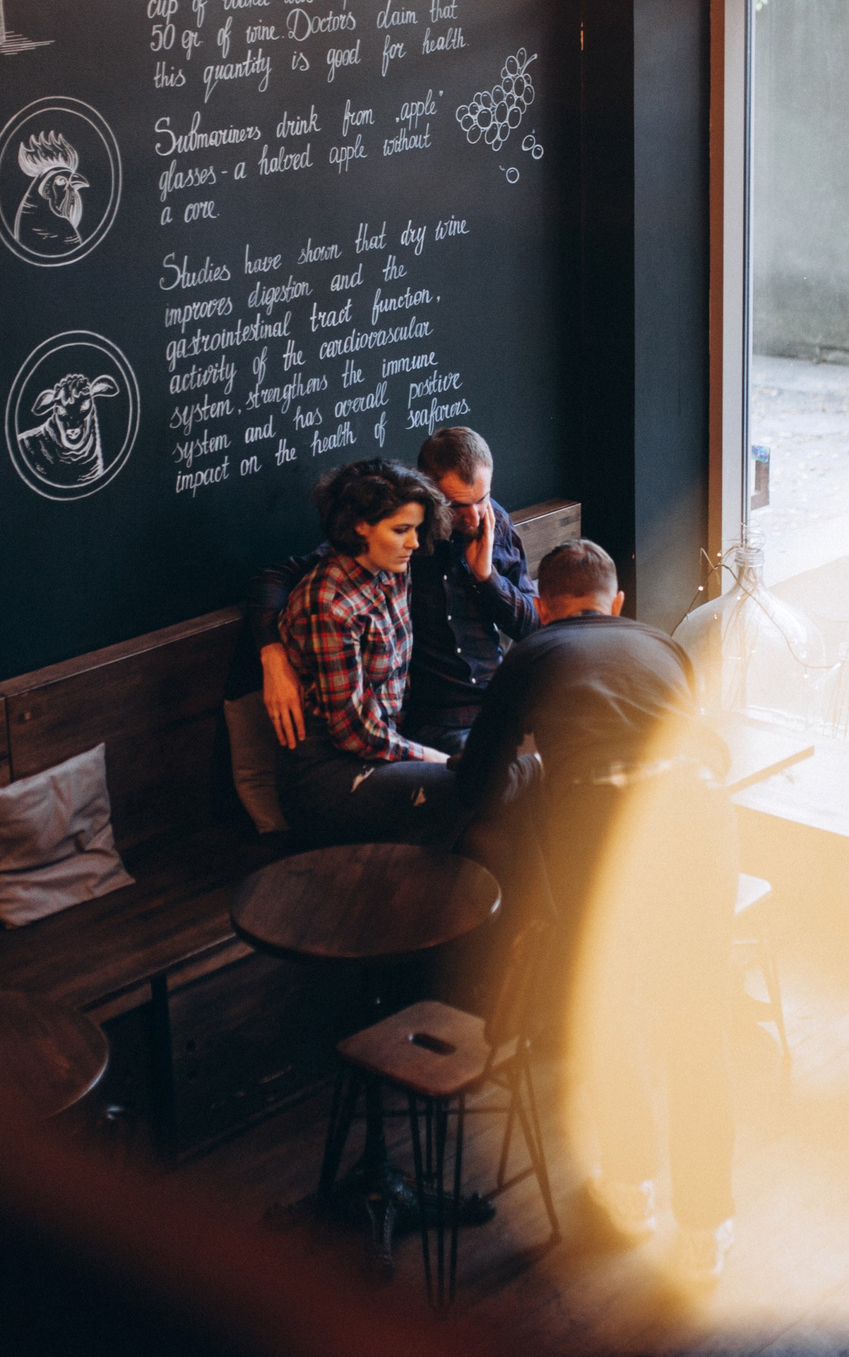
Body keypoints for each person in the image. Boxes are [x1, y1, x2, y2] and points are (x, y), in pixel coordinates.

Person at [453, 539, 740, 1285]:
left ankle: (631, 1188)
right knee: (697, 1027)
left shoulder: (535, 652)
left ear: (542, 608)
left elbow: (476, 778)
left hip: (605, 827)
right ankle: (706, 1229)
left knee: (608, 1008)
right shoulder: (661, 645)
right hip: (703, 817)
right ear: (616, 603)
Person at [240, 426, 537, 758]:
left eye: (482, 499)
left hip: (500, 699)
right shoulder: (398, 542)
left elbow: (533, 626)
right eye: (456, 506)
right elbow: (274, 578)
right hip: (438, 721)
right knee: (500, 777)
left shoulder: (494, 522)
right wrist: (273, 655)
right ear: (428, 491)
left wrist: (487, 577)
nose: (475, 516)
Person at [273, 459, 471, 847]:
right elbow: (353, 733)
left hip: (385, 746)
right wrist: (433, 758)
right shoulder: (329, 604)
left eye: (415, 529)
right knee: (464, 786)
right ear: (360, 526)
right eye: (401, 530)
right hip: (328, 770)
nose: (414, 542)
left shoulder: (395, 568)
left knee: (488, 785)